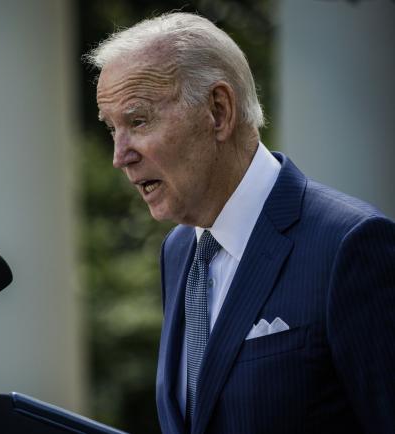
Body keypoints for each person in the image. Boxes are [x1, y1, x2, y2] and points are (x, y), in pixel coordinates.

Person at [86, 12, 395, 434]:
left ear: (218, 110)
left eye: (138, 121)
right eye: (113, 129)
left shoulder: (350, 244)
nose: (120, 155)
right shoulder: (178, 252)